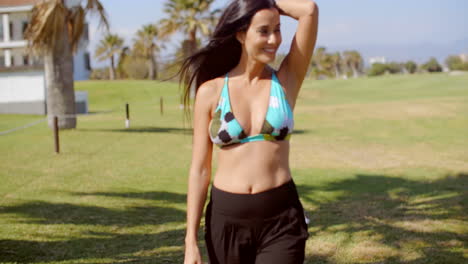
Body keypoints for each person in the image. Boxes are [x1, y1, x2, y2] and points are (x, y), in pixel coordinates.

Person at [180, 0, 318, 263]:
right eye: (263, 31)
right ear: (241, 34)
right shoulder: (210, 92)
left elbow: (308, 10)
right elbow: (200, 169)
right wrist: (190, 241)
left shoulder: (286, 80)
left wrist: (268, 2)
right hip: (226, 221)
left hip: (282, 220)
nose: (274, 39)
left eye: (277, 30)